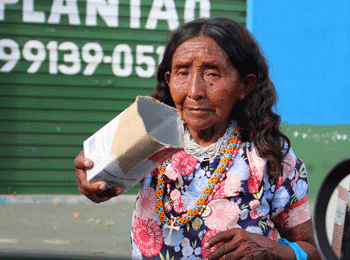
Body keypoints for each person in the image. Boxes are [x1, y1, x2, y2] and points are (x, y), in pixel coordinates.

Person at [75, 17, 321, 260]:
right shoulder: (147, 136)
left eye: (212, 74)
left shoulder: (269, 156)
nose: (194, 91)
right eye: (183, 73)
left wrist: (274, 251)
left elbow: (312, 252)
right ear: (169, 80)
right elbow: (95, 173)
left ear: (245, 86)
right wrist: (91, 173)